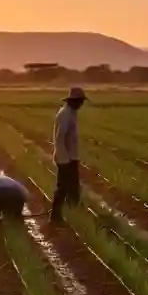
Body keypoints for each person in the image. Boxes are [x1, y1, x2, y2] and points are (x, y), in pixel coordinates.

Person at [51, 86, 87, 225]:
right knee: (63, 187)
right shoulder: (65, 114)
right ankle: (55, 216)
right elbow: (60, 139)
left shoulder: (72, 112)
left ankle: (75, 213)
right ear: (74, 100)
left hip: (71, 157)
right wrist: (64, 160)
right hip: (65, 158)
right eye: (80, 101)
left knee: (73, 187)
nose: (82, 104)